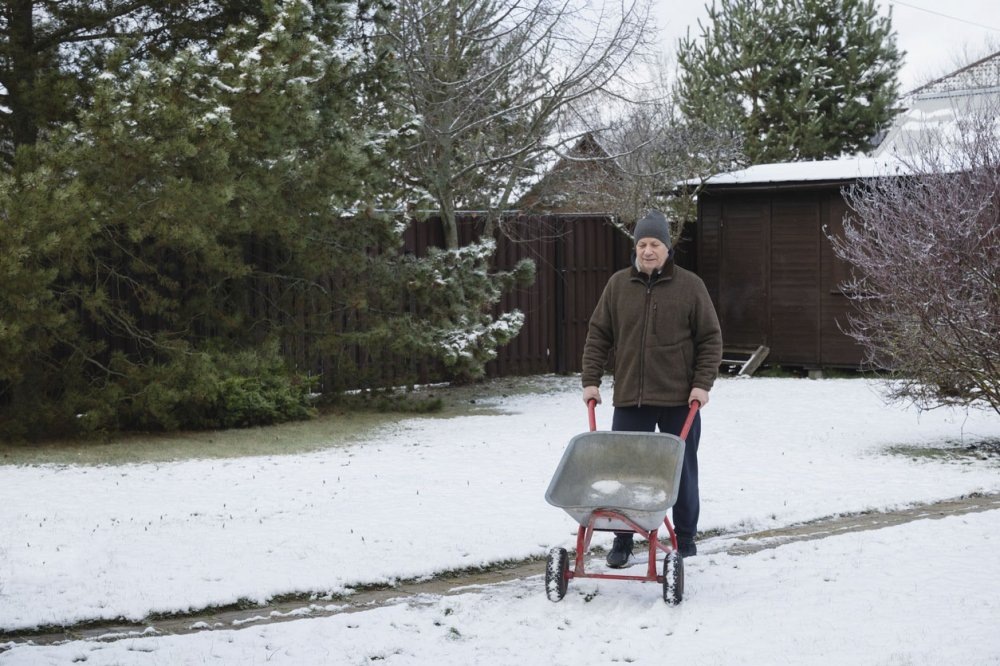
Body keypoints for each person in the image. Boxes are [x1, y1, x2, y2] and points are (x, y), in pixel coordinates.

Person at [581, 209, 722, 566]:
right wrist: (591, 381)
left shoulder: (690, 286)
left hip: (679, 400)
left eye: (655, 243)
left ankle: (686, 537)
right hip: (631, 398)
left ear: (667, 248)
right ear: (635, 247)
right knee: (625, 473)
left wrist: (701, 385)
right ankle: (624, 541)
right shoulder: (617, 286)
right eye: (642, 243)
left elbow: (710, 339)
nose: (648, 250)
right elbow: (598, 335)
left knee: (682, 471)